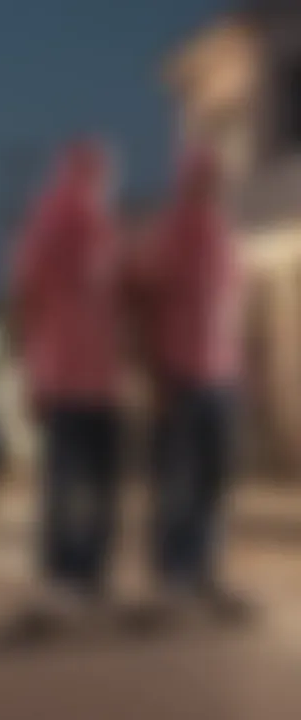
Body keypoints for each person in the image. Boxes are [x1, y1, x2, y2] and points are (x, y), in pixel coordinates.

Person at [11, 140, 123, 620]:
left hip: (104, 381)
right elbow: (26, 300)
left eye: (101, 171)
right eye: (89, 169)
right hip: (63, 379)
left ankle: (91, 574)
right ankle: (63, 577)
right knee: (66, 485)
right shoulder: (50, 224)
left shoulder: (107, 231)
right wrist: (32, 373)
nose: (97, 178)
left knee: (99, 485)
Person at [135, 147, 248, 618]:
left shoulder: (224, 234)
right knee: (177, 481)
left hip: (221, 375)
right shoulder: (171, 231)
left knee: (214, 481)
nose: (214, 183)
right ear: (189, 179)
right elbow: (145, 299)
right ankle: (171, 577)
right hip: (179, 373)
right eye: (206, 176)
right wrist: (155, 369)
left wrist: (242, 370)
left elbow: (234, 308)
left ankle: (204, 570)